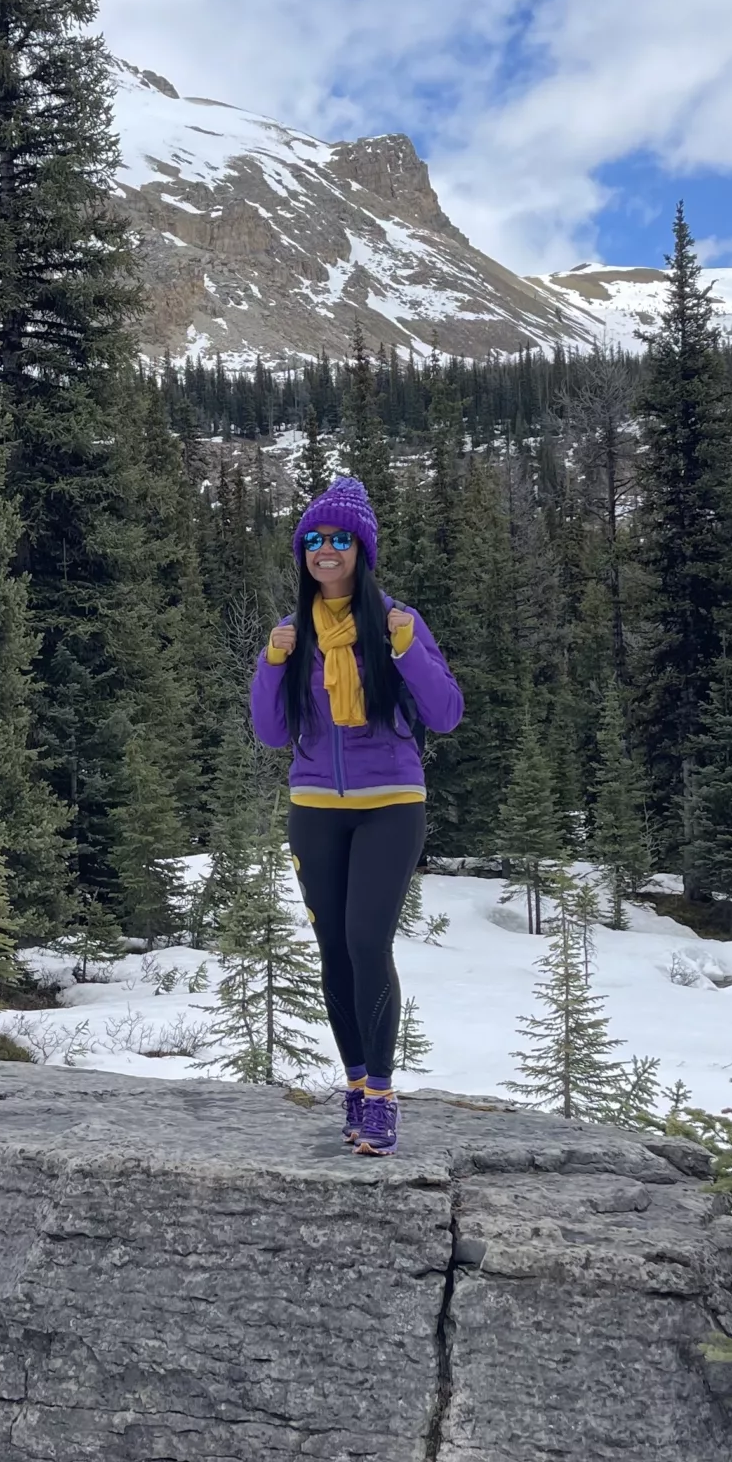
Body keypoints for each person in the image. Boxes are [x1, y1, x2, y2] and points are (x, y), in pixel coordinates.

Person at [249, 476, 463, 1156]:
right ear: (303, 554)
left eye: (340, 539)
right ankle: (353, 1083)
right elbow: (271, 732)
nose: (326, 550)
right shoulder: (294, 634)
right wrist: (270, 661)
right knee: (334, 952)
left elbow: (446, 713)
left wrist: (407, 651)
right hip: (314, 809)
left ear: (360, 549)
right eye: (314, 540)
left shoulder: (397, 620)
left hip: (391, 806)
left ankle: (381, 1097)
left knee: (369, 945)